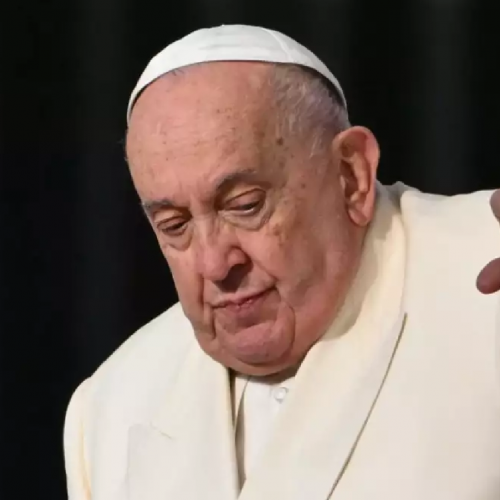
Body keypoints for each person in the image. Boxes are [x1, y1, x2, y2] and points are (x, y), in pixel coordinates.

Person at [63, 24, 500, 500]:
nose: (214, 264)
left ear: (351, 175)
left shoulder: (485, 275)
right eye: (174, 225)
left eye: (245, 205)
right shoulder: (111, 410)